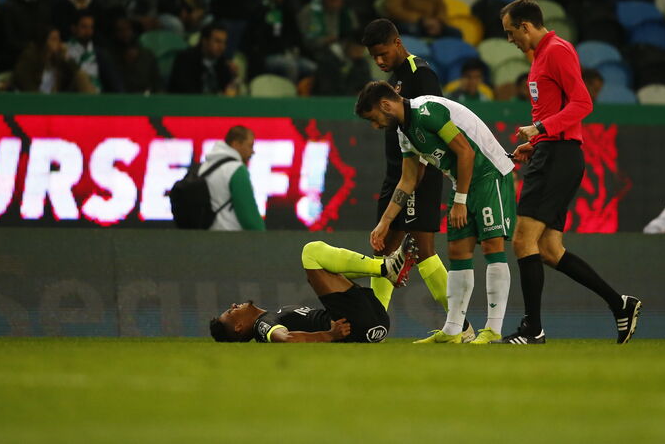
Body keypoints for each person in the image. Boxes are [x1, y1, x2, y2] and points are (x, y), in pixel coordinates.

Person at [498, 0, 640, 344]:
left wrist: (541, 129)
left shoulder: (557, 51)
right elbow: (559, 110)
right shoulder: (542, 56)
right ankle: (620, 304)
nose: (509, 40)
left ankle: (533, 329)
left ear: (526, 26)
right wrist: (536, 141)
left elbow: (583, 103)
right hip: (552, 151)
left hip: (558, 156)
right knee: (547, 249)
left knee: (522, 240)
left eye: (510, 32)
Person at [356, 80, 515, 345]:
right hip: (461, 182)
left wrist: (460, 201)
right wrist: (385, 222)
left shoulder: (427, 111)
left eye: (374, 119)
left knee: (491, 247)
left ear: (385, 105)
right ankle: (454, 330)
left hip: (489, 175)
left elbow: (466, 153)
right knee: (458, 253)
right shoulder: (403, 133)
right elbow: (408, 180)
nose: (375, 126)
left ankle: (493, 329)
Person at [359, 19, 455, 329]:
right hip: (397, 175)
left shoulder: (421, 74)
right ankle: (375, 322)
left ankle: (460, 325)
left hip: (419, 172)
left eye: (383, 54)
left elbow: (435, 121)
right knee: (383, 247)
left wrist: (417, 176)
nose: (379, 61)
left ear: (398, 42)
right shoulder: (397, 78)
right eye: (374, 57)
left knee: (423, 249)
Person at [210, 237, 418, 343]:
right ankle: (385, 269)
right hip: (353, 326)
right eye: (231, 312)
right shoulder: (263, 325)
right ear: (238, 327)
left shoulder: (273, 315)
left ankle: (385, 268)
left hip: (372, 324)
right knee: (311, 252)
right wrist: (329, 335)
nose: (233, 305)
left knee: (323, 271)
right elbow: (285, 339)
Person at [199, 125, 266, 231]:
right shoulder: (236, 169)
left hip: (206, 234)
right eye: (250, 146)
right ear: (236, 144)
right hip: (232, 237)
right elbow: (248, 216)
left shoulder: (204, 167)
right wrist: (263, 236)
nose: (252, 152)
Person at [13, 26, 95, 93]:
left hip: (56, 100)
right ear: (44, 41)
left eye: (59, 39)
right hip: (35, 100)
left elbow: (76, 72)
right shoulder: (30, 56)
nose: (58, 43)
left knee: (81, 76)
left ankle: (93, 108)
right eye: (53, 39)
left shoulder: (59, 58)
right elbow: (22, 79)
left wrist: (66, 57)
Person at [168, 24, 236, 94]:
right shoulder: (185, 60)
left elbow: (228, 89)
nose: (222, 47)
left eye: (224, 43)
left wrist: (233, 76)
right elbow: (185, 91)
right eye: (217, 41)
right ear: (205, 41)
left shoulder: (223, 63)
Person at [65, 12, 122, 93]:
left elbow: (114, 81)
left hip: (97, 97)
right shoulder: (65, 50)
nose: (88, 31)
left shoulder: (99, 54)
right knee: (81, 77)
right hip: (71, 97)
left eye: (91, 27)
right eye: (84, 27)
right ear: (73, 28)